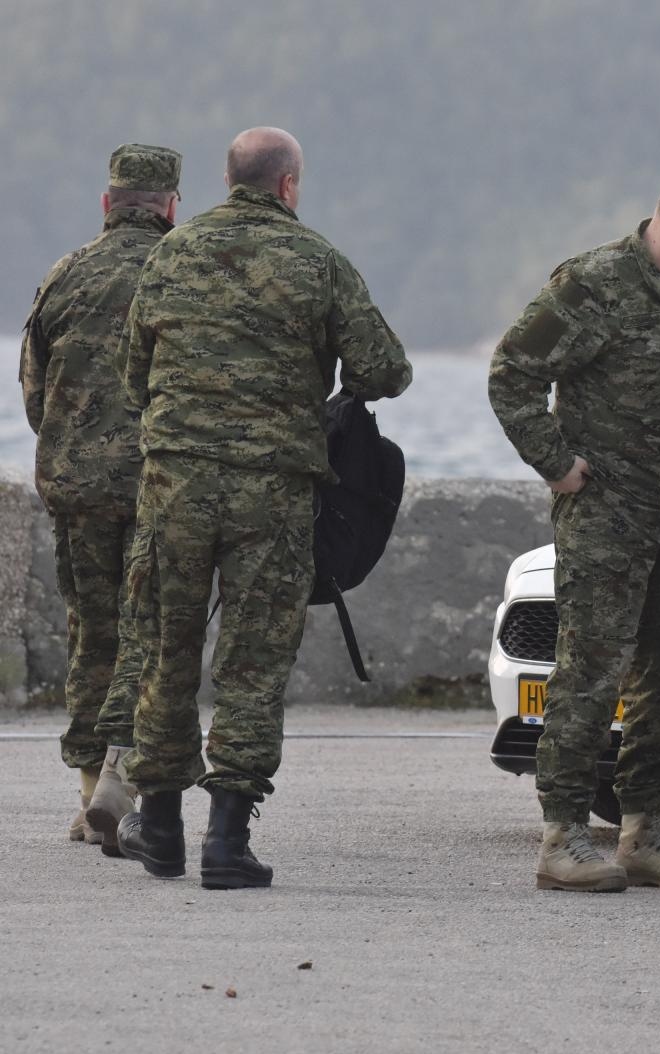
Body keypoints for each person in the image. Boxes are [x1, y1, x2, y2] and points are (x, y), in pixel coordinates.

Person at [114, 127, 412, 889]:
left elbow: (132, 377)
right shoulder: (318, 261)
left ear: (227, 178)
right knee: (251, 664)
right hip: (272, 494)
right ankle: (225, 842)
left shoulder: (169, 256)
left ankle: (160, 830)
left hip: (173, 486)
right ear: (287, 186)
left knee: (165, 650)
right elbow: (386, 369)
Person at [488, 171, 660, 892]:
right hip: (607, 512)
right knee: (591, 673)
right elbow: (511, 373)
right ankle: (564, 835)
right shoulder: (592, 285)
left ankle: (645, 830)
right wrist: (555, 461)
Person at [20, 144, 181, 854]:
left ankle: (90, 798)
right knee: (152, 631)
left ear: (108, 204)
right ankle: (129, 772)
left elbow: (35, 393)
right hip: (160, 486)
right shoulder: (184, 271)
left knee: (92, 636)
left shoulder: (66, 274)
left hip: (79, 489)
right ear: (172, 206)